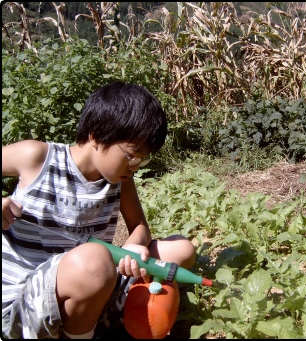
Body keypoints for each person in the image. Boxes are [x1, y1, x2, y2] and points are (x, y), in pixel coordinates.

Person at [2, 81, 196, 339]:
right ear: (96, 134)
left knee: (180, 249)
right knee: (94, 258)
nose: (135, 166)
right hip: (25, 307)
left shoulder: (118, 179)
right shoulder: (36, 157)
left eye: (143, 158)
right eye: (132, 155)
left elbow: (139, 225)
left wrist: (134, 245)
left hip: (93, 283)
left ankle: (118, 318)